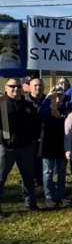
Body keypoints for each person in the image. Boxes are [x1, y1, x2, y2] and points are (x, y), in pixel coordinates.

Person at [0, 78, 43, 214]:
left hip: (26, 147)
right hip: (7, 147)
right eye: (12, 86)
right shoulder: (2, 104)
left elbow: (36, 123)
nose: (15, 89)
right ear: (6, 88)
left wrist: (33, 139)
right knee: (1, 177)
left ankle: (30, 203)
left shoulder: (28, 105)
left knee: (28, 176)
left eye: (18, 86)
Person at [37, 82, 69, 208]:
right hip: (47, 144)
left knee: (61, 171)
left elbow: (70, 124)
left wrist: (61, 118)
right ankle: (49, 196)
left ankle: (60, 194)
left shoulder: (66, 108)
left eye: (60, 95)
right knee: (47, 172)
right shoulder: (46, 107)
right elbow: (40, 116)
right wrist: (47, 99)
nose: (58, 98)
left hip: (61, 143)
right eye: (55, 96)